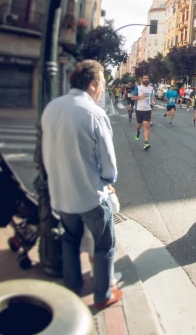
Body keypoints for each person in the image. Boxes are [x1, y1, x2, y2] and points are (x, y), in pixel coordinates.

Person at [41, 60, 120, 309]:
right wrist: (108, 182)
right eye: (102, 86)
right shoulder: (94, 113)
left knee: (70, 238)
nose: (102, 92)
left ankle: (72, 284)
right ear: (92, 84)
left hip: (61, 193)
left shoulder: (52, 108)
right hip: (89, 195)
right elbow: (108, 162)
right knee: (105, 244)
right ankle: (102, 295)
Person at [133, 75, 155, 150]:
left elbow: (152, 97)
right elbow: (133, 97)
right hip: (139, 109)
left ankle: (146, 143)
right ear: (142, 79)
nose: (146, 79)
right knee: (139, 124)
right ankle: (138, 132)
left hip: (147, 109)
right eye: (145, 78)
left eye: (147, 78)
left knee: (146, 125)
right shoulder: (138, 88)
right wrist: (140, 97)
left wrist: (152, 102)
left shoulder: (151, 88)